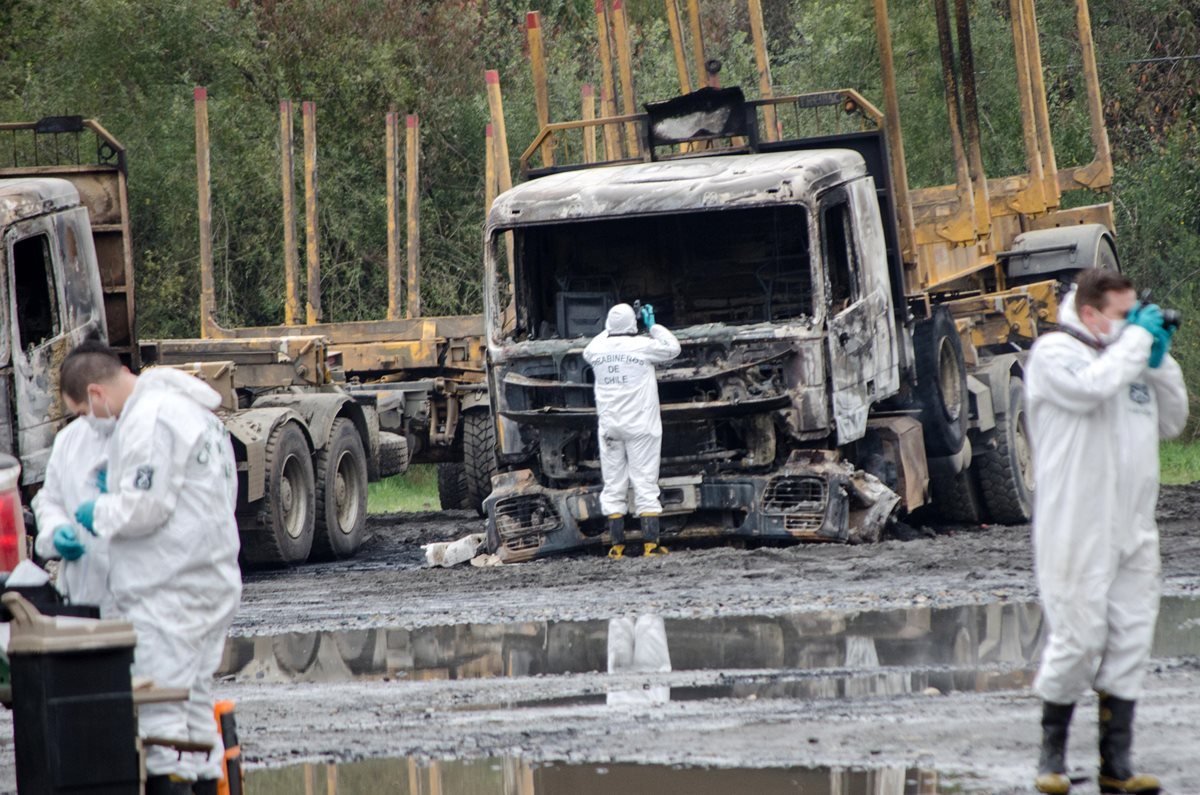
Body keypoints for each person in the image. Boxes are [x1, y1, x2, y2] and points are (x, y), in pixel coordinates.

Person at [1024, 269, 1186, 795]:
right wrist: (1137, 341)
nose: (1134, 323)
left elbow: (1174, 421)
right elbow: (1092, 388)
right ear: (1091, 313)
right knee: (1079, 637)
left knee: (1131, 637)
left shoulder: (1128, 360)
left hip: (1134, 524)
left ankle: (1116, 765)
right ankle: (1051, 759)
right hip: (1077, 524)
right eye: (1123, 314)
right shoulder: (1054, 354)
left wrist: (1159, 362)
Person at [59, 342, 242, 795]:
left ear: (97, 394)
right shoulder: (191, 411)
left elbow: (146, 506)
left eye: (82, 412)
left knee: (161, 718)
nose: (89, 422)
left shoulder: (150, 418)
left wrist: (100, 510)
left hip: (170, 591)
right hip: (207, 579)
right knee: (195, 708)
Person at [583, 303, 681, 559]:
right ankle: (651, 545)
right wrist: (652, 325)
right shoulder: (643, 346)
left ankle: (617, 547)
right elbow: (673, 348)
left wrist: (612, 327)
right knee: (645, 482)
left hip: (610, 429)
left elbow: (593, 345)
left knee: (613, 484)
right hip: (641, 428)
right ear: (633, 324)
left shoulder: (596, 350)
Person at [31, 365, 117, 617]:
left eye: (84, 410)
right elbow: (49, 499)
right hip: (82, 594)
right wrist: (56, 528)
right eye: (80, 413)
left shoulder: (145, 431)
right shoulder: (69, 439)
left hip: (138, 599)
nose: (87, 419)